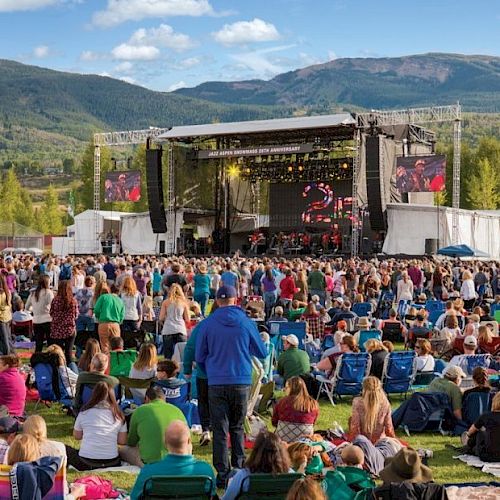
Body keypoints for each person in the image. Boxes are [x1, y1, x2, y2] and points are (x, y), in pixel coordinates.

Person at [195, 285, 267, 488]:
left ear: (217, 301)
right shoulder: (246, 322)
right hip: (240, 380)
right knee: (236, 427)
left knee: (220, 428)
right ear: (236, 300)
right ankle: (238, 469)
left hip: (217, 380)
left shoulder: (208, 323)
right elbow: (262, 351)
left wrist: (210, 369)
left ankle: (223, 473)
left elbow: (199, 356)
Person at [130, 420, 216, 500]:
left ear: (165, 442)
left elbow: (134, 497)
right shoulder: (205, 470)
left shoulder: (149, 472)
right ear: (189, 441)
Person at [66, 382, 127, 470]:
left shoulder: (84, 413)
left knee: (64, 449)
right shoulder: (119, 415)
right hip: (112, 462)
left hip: (86, 462)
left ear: (93, 394)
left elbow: (77, 436)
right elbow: (122, 441)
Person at [120, 386, 186, 467]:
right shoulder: (177, 410)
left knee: (121, 449)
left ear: (147, 398)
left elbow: (131, 442)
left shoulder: (139, 411)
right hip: (177, 460)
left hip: (148, 462)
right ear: (164, 398)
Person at [222, 430, 292, 500]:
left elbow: (227, 498)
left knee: (234, 472)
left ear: (256, 451)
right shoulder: (290, 476)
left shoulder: (244, 476)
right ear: (281, 452)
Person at [272, 376, 319, 443]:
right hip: (305, 442)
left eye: (286, 387)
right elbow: (313, 422)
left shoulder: (282, 402)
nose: (284, 389)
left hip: (283, 440)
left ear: (292, 388)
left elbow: (274, 422)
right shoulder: (313, 403)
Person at [348, 376, 395, 444]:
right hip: (380, 442)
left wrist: (353, 444)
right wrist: (394, 443)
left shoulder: (357, 402)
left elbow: (355, 428)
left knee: (350, 419)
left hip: (363, 443)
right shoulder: (385, 403)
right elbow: (389, 428)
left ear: (364, 389)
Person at [463, 392, 500, 462]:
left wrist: (468, 435)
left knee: (479, 431)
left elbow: (471, 431)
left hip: (488, 456)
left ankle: (468, 446)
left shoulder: (486, 416)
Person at [49, 280, 78, 366]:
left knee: (58, 353)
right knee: (69, 353)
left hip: (57, 330)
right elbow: (76, 315)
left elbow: (51, 313)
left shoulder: (55, 300)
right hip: (69, 330)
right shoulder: (73, 301)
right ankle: (71, 371)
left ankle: (59, 370)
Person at [159, 283, 190, 360]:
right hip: (180, 329)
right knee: (182, 355)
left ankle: (168, 370)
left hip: (168, 329)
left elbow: (161, 317)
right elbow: (187, 319)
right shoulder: (183, 303)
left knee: (168, 356)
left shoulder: (166, 302)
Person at [93, 283, 125, 354]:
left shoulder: (103, 297)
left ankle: (106, 362)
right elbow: (122, 315)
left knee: (105, 346)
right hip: (115, 324)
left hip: (103, 323)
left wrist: (99, 317)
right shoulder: (120, 300)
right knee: (116, 346)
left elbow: (96, 310)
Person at [26, 275, 54, 352]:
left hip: (36, 321)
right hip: (47, 320)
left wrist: (34, 310)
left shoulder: (33, 293)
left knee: (39, 344)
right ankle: (51, 360)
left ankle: (37, 361)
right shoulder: (48, 292)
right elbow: (53, 306)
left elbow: (27, 307)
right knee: (50, 343)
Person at [0, 274, 12, 355]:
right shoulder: (8, 292)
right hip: (7, 317)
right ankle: (11, 355)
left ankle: (7, 357)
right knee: (7, 338)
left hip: (2, 318)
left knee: (5, 340)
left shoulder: (1, 295)